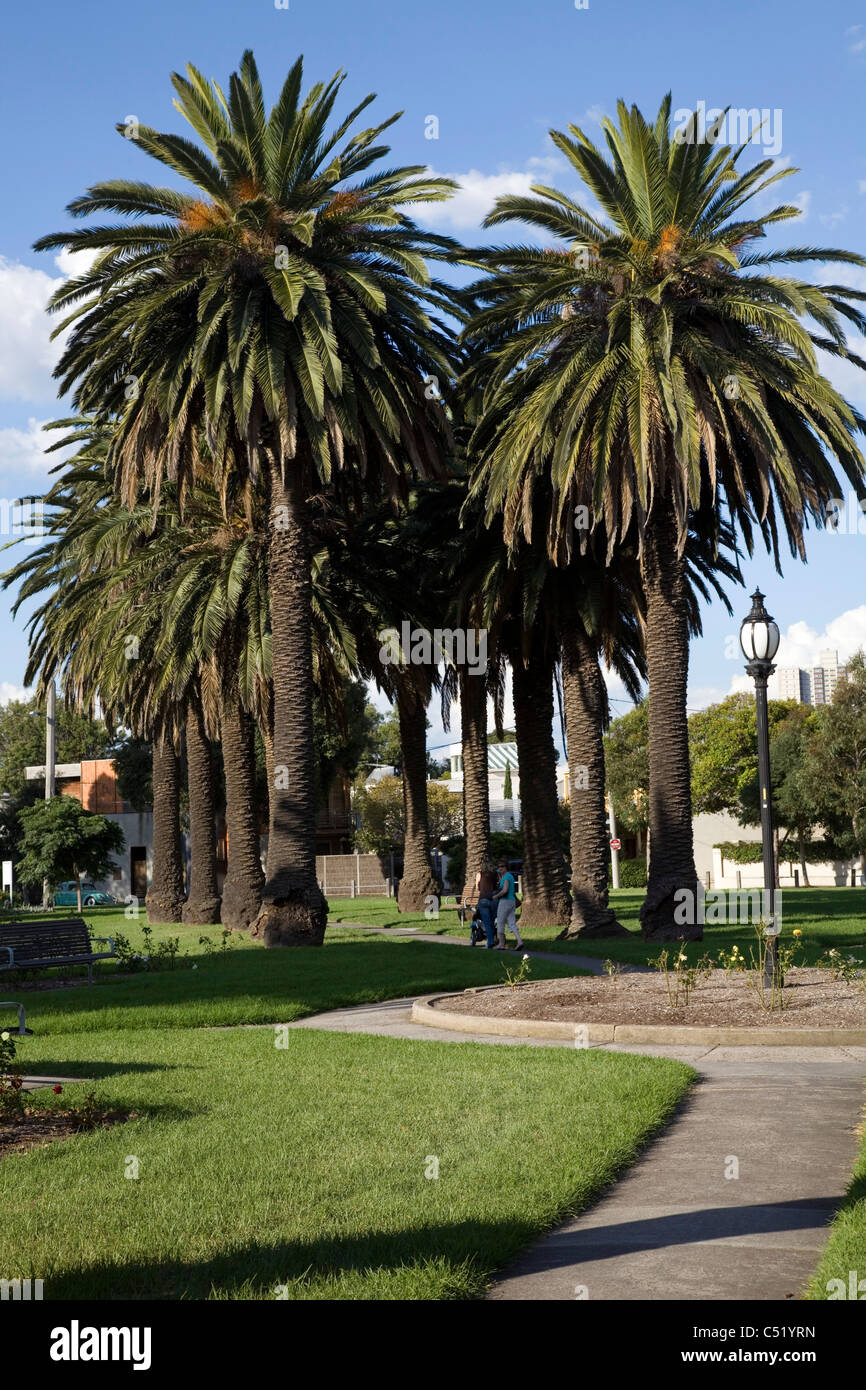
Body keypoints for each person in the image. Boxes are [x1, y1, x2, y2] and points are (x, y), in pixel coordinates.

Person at [492, 859, 523, 950]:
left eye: (502, 866)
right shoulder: (509, 876)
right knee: (512, 922)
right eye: (499, 866)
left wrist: (496, 896)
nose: (500, 868)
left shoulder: (506, 877)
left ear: (506, 867)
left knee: (500, 922)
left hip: (505, 901)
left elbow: (505, 890)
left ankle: (501, 944)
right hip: (512, 901)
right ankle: (519, 941)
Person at [473, 862, 498, 949]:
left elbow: (477, 887)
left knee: (486, 922)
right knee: (492, 921)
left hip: (483, 900)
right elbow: (496, 887)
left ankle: (489, 942)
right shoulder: (494, 874)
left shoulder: (480, 874)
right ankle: (494, 938)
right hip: (493, 900)